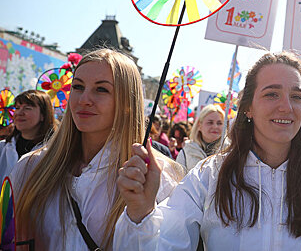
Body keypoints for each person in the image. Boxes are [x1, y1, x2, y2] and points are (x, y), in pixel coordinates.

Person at [114, 51, 301, 250]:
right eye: (272, 94)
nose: (286, 107)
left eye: (296, 97)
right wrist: (140, 213)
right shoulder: (209, 175)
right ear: (247, 107)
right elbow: (164, 244)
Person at [9, 48, 182, 250]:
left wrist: (142, 216)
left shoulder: (155, 176)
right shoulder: (32, 166)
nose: (84, 99)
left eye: (101, 89)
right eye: (78, 86)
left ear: (127, 102)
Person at [0, 90, 55, 181]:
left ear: (43, 115)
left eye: (27, 108)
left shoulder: (54, 150)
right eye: (17, 108)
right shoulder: (2, 148)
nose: (19, 113)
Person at [175, 104, 224, 173]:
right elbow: (178, 179)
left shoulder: (229, 151)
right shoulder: (186, 151)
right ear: (199, 125)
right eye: (210, 123)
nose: (215, 126)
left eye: (219, 123)